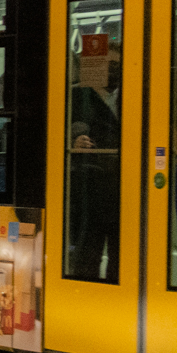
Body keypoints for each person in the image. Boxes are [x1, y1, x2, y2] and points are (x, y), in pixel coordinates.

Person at [68, 44, 122, 281]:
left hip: (122, 189)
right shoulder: (75, 97)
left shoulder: (130, 96)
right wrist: (72, 141)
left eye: (117, 66)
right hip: (87, 189)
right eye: (108, 65)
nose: (113, 71)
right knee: (88, 254)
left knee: (122, 256)